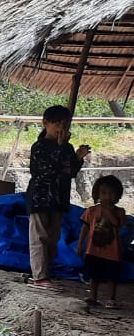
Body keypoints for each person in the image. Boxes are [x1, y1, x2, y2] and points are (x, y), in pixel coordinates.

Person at [25, 105, 90, 287]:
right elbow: (45, 171)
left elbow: (69, 172)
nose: (61, 128)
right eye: (57, 124)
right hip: (40, 198)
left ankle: (47, 273)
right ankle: (39, 276)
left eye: (65, 124)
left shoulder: (67, 147)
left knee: (53, 239)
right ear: (46, 123)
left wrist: (77, 157)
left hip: (59, 198)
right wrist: (61, 148)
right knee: (39, 237)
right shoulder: (38, 147)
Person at [77, 174, 126, 309]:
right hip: (93, 249)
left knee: (112, 276)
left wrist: (107, 211)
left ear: (118, 195)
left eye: (111, 193)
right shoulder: (91, 211)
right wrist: (80, 244)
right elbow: (85, 227)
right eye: (103, 193)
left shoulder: (120, 212)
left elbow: (116, 224)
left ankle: (111, 299)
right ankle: (93, 296)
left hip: (112, 252)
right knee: (94, 275)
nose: (107, 197)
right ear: (97, 194)